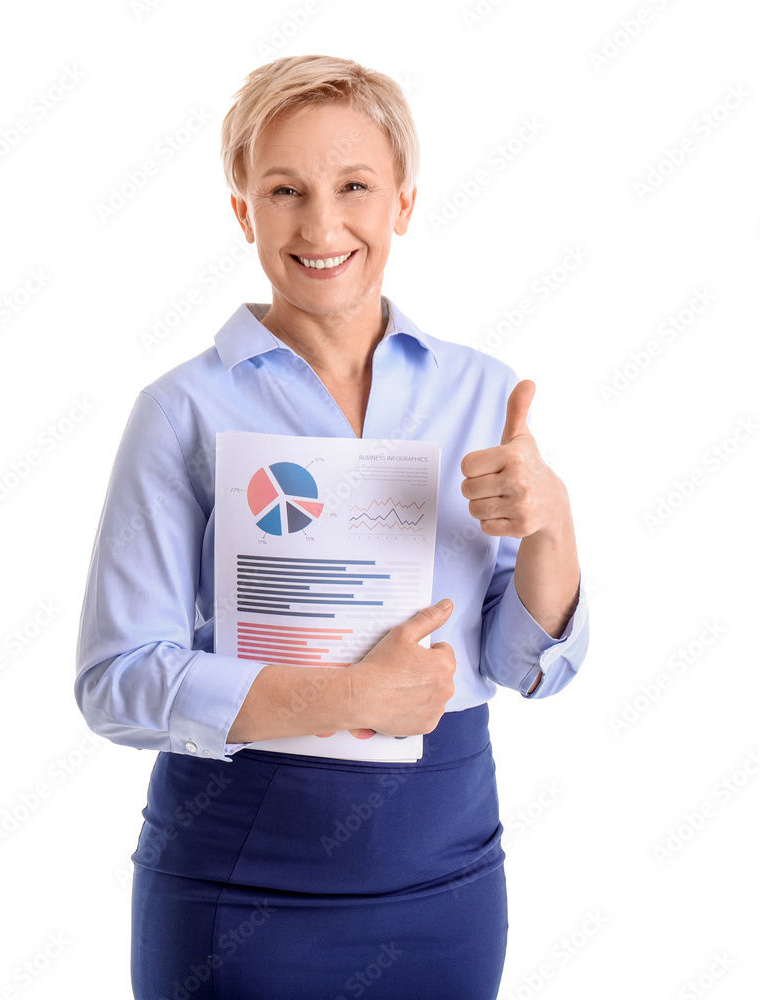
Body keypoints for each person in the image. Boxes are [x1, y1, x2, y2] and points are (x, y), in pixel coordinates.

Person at [75, 54, 589, 999]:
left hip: (448, 887)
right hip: (240, 887)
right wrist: (351, 697)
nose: (321, 225)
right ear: (243, 212)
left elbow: (527, 666)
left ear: (403, 201)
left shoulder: (479, 391)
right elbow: (115, 683)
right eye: (284, 191)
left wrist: (552, 529)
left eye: (354, 186)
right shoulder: (182, 410)